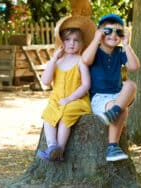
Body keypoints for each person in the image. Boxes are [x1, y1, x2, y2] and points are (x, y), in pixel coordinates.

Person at [37, 16, 96, 161]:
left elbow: (86, 85)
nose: (72, 44)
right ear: (61, 43)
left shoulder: (81, 61)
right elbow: (45, 81)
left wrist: (70, 98)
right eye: (68, 40)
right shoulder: (57, 62)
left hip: (77, 99)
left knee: (66, 114)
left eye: (76, 41)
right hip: (57, 99)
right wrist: (53, 60)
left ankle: (60, 150)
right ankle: (52, 146)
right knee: (48, 115)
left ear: (82, 44)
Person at [82, 14, 140, 162]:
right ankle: (112, 146)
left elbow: (134, 67)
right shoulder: (95, 51)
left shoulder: (120, 52)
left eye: (118, 32)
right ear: (100, 33)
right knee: (122, 110)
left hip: (118, 95)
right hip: (100, 97)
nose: (113, 35)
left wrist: (127, 44)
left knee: (131, 85)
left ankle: (112, 114)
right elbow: (85, 60)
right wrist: (95, 39)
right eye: (108, 31)